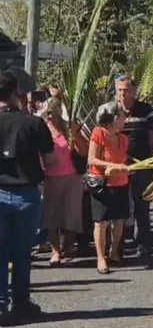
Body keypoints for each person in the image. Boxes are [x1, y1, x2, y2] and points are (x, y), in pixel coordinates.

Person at [0, 71, 54, 325]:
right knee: (22, 253)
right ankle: (21, 302)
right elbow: (50, 156)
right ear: (14, 92)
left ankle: (1, 304)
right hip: (27, 192)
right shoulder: (32, 123)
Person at [98, 76, 153, 257]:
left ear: (134, 91)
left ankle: (143, 243)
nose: (123, 94)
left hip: (141, 164)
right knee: (118, 208)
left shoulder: (146, 110)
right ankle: (117, 246)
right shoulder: (107, 109)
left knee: (142, 204)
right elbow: (101, 136)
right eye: (120, 90)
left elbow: (152, 139)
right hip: (116, 167)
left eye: (127, 90)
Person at [41, 98, 88, 266]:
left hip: (72, 176)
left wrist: (75, 135)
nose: (47, 116)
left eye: (50, 112)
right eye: (45, 112)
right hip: (50, 177)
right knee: (51, 217)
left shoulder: (68, 129)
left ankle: (67, 244)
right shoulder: (42, 130)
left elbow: (84, 151)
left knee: (71, 215)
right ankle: (55, 251)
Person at [88, 105, 131, 274]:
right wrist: (111, 165)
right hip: (102, 184)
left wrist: (126, 167)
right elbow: (92, 159)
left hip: (121, 182)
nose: (124, 119)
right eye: (122, 116)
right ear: (114, 117)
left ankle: (114, 251)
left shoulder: (123, 138)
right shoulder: (99, 133)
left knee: (119, 220)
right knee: (101, 222)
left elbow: (123, 158)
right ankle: (100, 257)